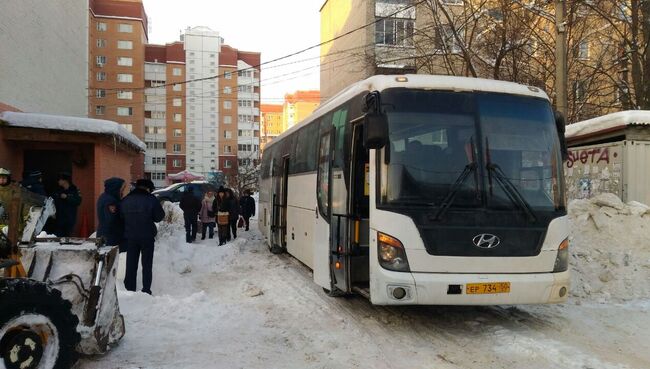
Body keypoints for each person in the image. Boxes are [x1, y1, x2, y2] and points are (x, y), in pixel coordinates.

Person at [120, 179, 165, 295]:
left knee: (130, 264)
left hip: (130, 237)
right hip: (147, 236)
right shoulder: (151, 200)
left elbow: (120, 217)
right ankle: (146, 290)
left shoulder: (126, 200)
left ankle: (129, 289)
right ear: (148, 188)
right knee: (147, 264)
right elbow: (159, 217)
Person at [96, 177, 126, 251]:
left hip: (104, 235)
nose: (123, 191)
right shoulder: (111, 201)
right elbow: (111, 219)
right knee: (108, 260)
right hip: (110, 237)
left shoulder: (104, 196)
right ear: (115, 188)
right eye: (122, 188)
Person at [52, 172, 82, 237]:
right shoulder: (58, 190)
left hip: (69, 218)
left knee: (67, 237)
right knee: (57, 237)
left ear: (65, 180)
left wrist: (67, 197)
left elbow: (78, 201)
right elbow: (52, 202)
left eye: (60, 180)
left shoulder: (74, 189)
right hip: (59, 218)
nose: (58, 181)